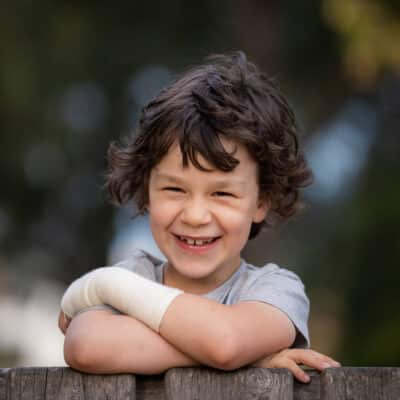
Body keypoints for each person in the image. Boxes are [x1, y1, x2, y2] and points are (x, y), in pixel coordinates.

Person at [58, 51, 340, 382]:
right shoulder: (135, 275)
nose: (194, 215)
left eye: (222, 193)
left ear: (261, 201)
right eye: (174, 190)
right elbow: (86, 347)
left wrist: (101, 286)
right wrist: (243, 360)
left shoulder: (275, 290)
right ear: (147, 189)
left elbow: (225, 343)